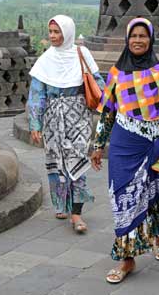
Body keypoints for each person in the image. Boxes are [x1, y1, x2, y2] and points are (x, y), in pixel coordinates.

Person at [90, 17, 159, 283]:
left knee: (156, 194)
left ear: (150, 39)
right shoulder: (116, 73)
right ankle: (127, 260)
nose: (137, 40)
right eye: (133, 36)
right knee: (123, 198)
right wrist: (98, 145)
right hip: (124, 145)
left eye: (142, 36)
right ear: (127, 39)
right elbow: (107, 114)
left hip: (153, 144)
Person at [28, 14, 105, 233]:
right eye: (50, 32)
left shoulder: (82, 54)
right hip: (53, 119)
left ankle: (77, 213)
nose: (52, 36)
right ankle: (61, 203)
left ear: (67, 33)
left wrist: (109, 110)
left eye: (57, 32)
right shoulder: (46, 60)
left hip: (79, 117)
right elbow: (37, 94)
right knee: (56, 161)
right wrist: (36, 124)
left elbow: (97, 83)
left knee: (77, 159)